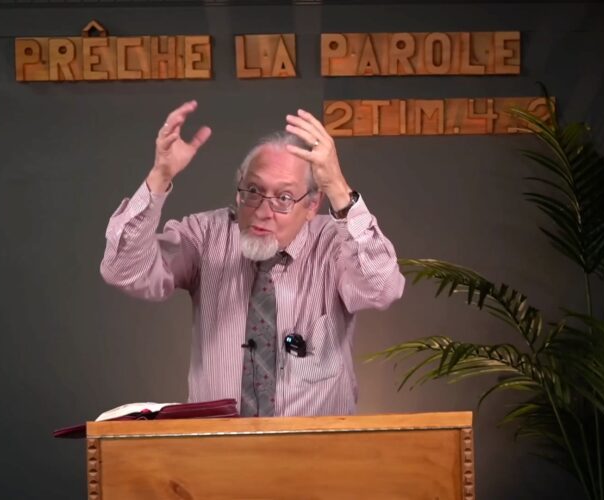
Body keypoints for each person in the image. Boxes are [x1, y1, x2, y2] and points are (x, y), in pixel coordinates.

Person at [101, 100, 405, 417]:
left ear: (313, 205)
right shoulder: (205, 235)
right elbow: (125, 270)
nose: (262, 211)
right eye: (253, 191)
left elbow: (382, 289)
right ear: (238, 192)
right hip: (217, 444)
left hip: (315, 445)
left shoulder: (335, 243)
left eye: (284, 197)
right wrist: (160, 177)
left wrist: (339, 191)